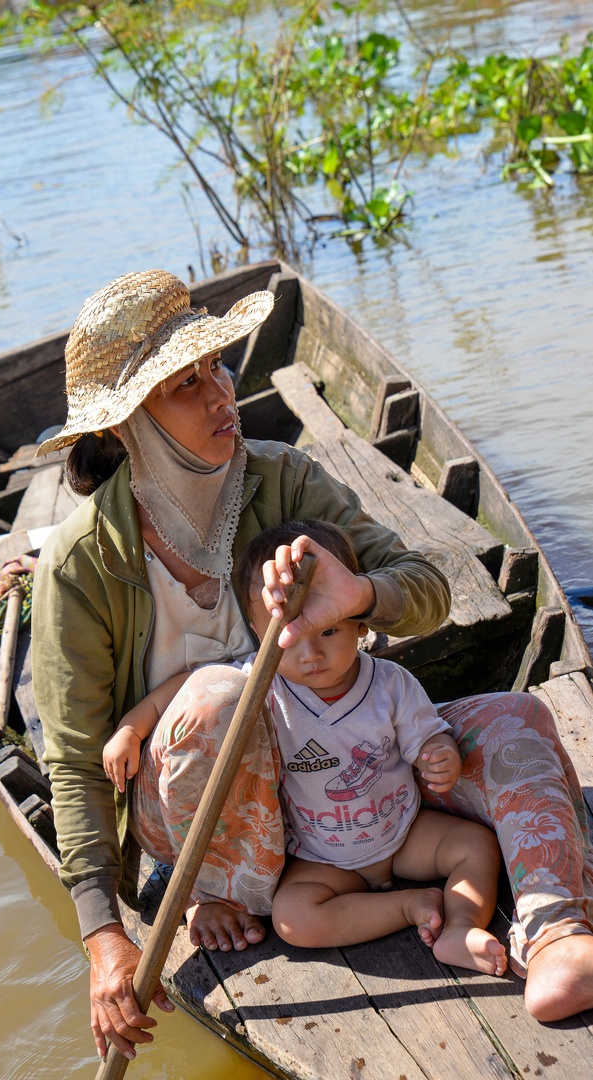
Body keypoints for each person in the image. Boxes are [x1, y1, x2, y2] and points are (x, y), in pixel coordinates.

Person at [31, 268, 593, 1062]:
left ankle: (556, 931)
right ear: (127, 426)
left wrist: (359, 593)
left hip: (350, 777)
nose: (219, 392)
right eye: (182, 386)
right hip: (216, 820)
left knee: (518, 718)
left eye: (216, 367)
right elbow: (74, 766)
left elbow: (430, 584)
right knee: (218, 699)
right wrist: (103, 939)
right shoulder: (80, 564)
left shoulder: (282, 477)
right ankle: (218, 895)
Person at [103, 519, 508, 976]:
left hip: (403, 832)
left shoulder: (390, 684)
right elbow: (182, 688)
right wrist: (132, 729)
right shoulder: (263, 685)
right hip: (322, 855)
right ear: (261, 634)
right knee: (293, 920)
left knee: (476, 845)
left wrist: (440, 756)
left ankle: (460, 925)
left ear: (359, 625)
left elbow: (426, 735)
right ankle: (411, 906)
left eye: (329, 631)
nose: (311, 652)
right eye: (290, 634)